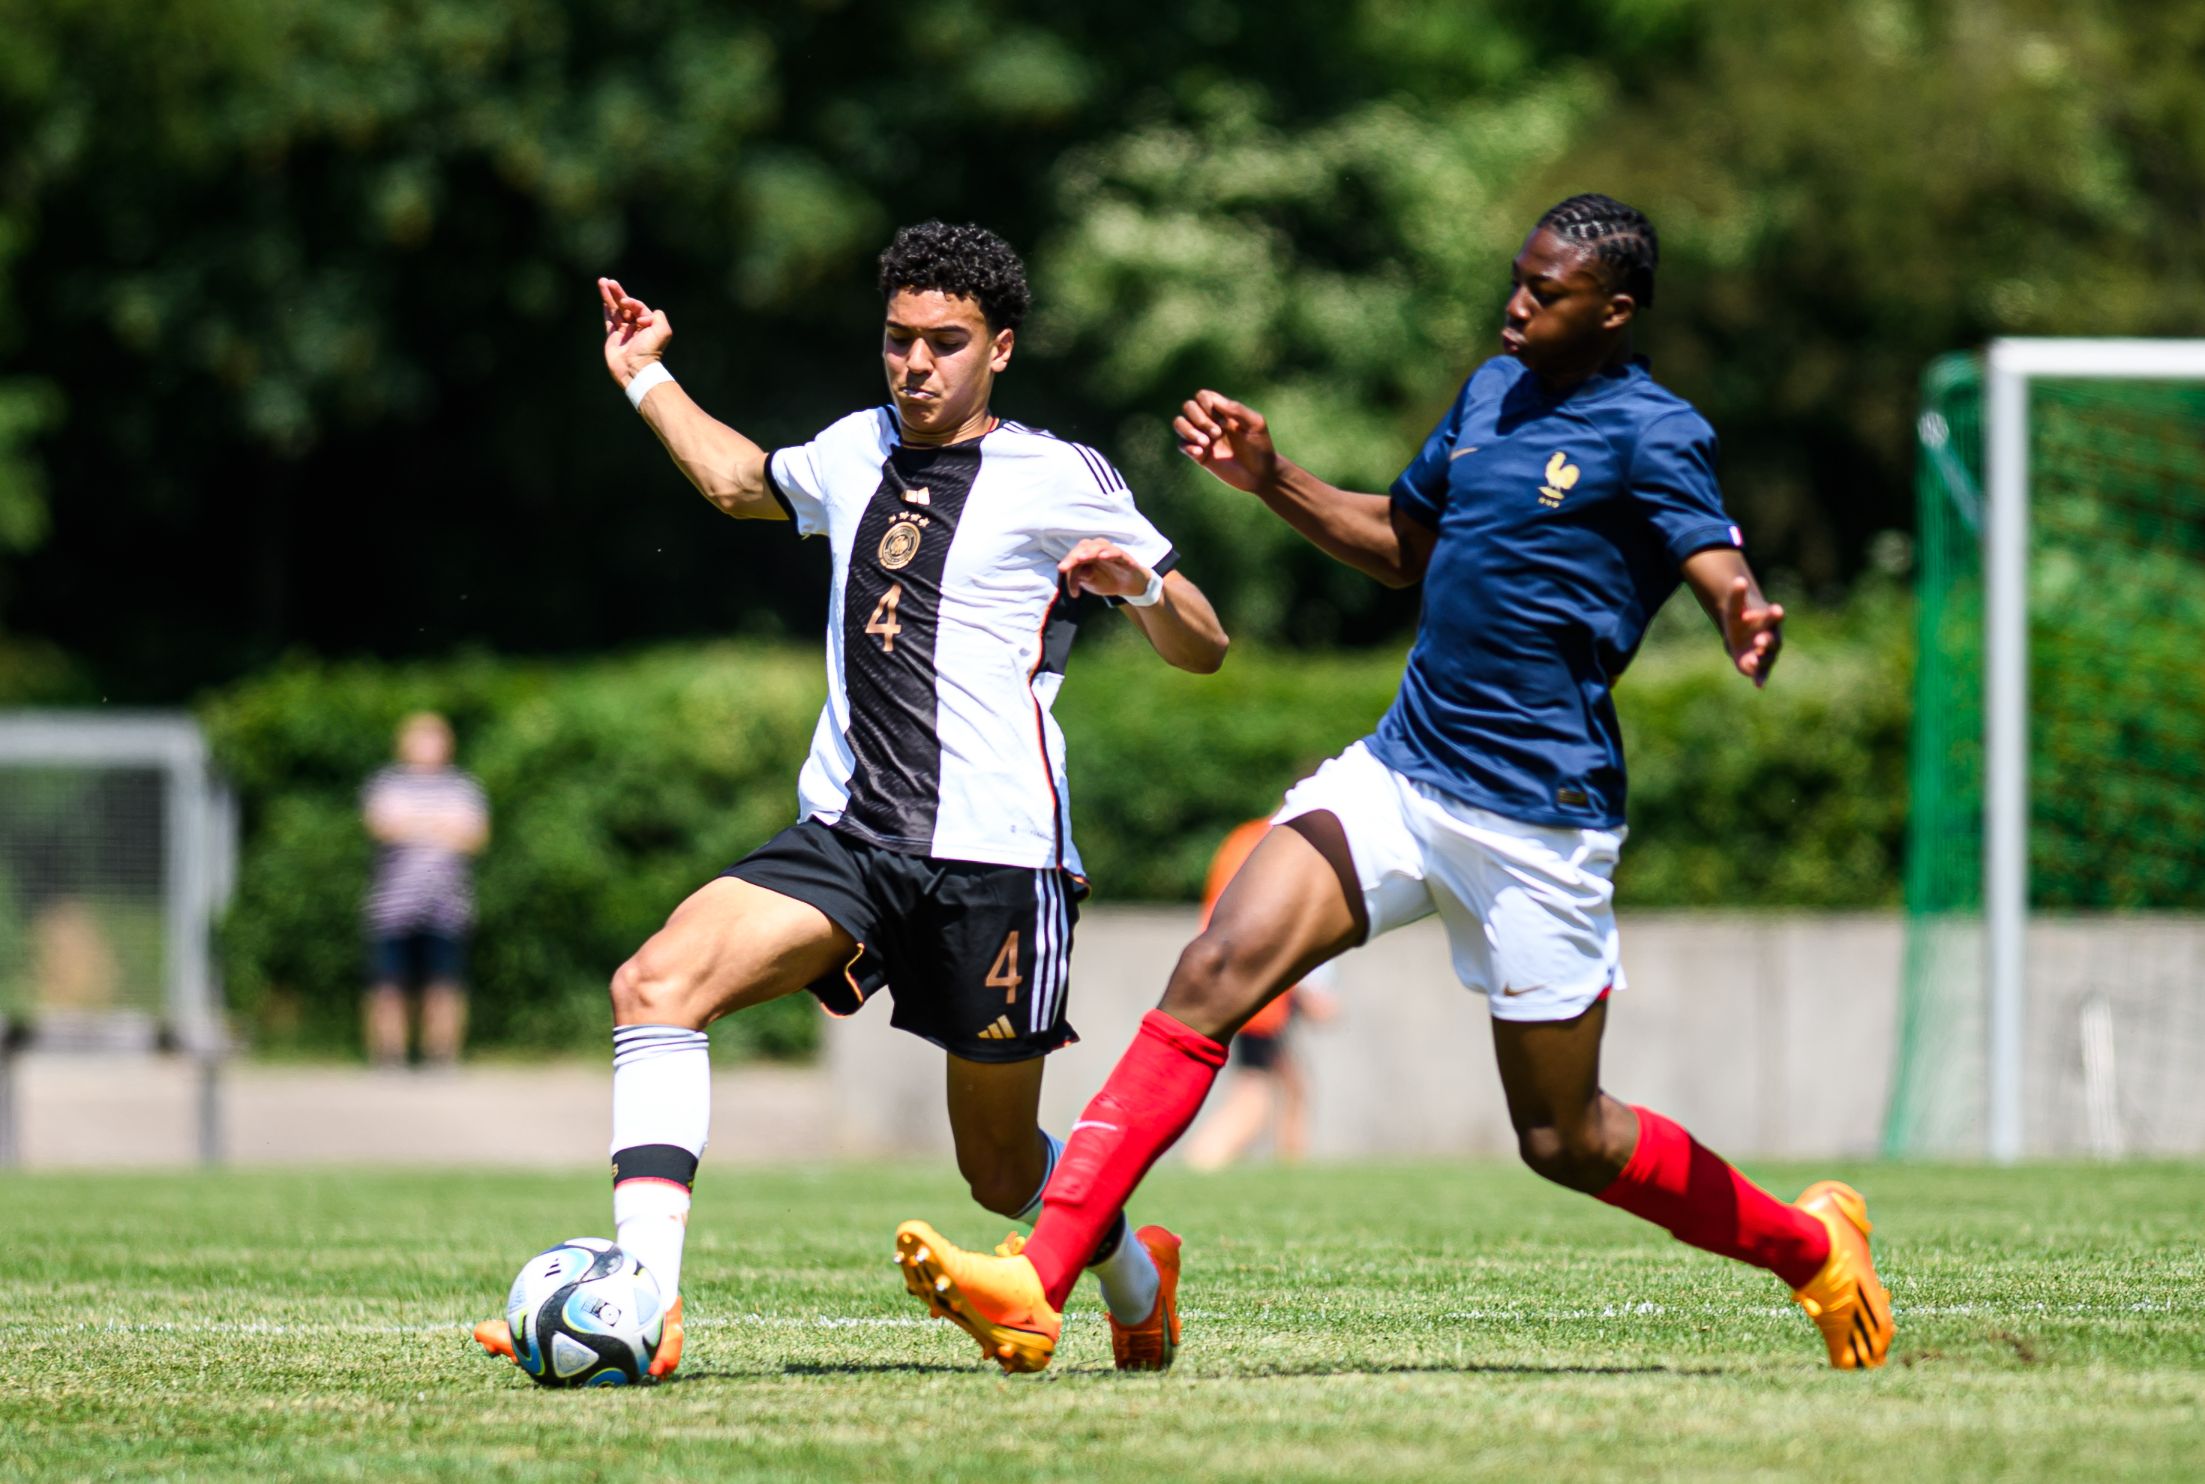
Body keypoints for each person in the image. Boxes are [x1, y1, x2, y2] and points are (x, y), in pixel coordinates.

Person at [892, 194, 1895, 1374]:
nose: (1516, 305)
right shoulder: (1492, 391)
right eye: (1517, 278)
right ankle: (1040, 1279)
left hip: (1538, 819)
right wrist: (1272, 476)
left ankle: (1811, 1246)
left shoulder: (1653, 429)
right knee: (1214, 970)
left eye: (1547, 292)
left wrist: (1740, 607)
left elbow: (1710, 553)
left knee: (1565, 1136)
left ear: (1616, 310)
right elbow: (1400, 548)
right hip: (1403, 771)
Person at [472, 222, 1229, 1379]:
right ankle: (645, 1298)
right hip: (850, 833)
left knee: (996, 1169)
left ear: (1001, 348)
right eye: (897, 338)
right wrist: (645, 376)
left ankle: (1137, 1276)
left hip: (997, 856)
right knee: (655, 983)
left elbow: (1205, 645)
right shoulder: (851, 448)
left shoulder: (1059, 475)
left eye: (946, 342)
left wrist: (1143, 591)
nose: (916, 363)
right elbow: (737, 482)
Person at [1181, 818, 1337, 1171]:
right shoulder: (1284, 841)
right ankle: (1203, 1160)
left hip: (1242, 982)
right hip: (1258, 993)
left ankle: (1291, 1168)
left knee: (1292, 1084)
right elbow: (1287, 919)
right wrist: (1313, 986)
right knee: (1254, 1093)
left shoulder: (1246, 839)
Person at [360, 712, 489, 1068]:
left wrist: (412, 824)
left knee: (444, 983)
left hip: (448, 904)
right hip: (392, 905)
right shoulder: (387, 782)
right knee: (388, 984)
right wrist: (441, 826)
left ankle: (441, 1056)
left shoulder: (463, 785)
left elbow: (474, 837)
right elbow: (382, 827)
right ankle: (389, 1056)